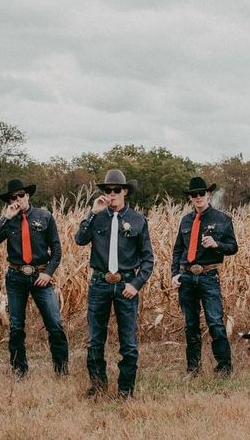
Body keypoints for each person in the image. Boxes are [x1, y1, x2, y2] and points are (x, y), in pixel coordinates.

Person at [75, 169, 154, 398]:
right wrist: (91, 212)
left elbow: (148, 258)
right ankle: (98, 388)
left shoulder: (138, 220)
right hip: (99, 284)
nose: (112, 194)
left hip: (126, 285)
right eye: (108, 190)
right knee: (94, 340)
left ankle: (125, 391)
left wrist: (137, 283)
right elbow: (80, 240)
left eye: (116, 190)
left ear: (125, 191)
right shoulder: (97, 217)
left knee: (128, 342)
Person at [0, 179, 68, 377]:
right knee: (16, 326)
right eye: (13, 197)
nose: (18, 199)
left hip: (41, 276)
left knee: (54, 323)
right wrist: (6, 218)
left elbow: (56, 250)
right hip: (15, 277)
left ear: (28, 196)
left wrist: (48, 273)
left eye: (21, 195)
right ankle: (19, 370)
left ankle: (61, 370)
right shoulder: (8, 220)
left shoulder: (44, 216)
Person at [171, 177, 238, 376]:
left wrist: (217, 244)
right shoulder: (186, 220)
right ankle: (193, 369)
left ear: (208, 194)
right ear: (190, 198)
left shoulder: (222, 219)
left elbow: (233, 247)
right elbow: (178, 250)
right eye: (194, 195)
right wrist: (175, 273)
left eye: (202, 193)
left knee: (215, 322)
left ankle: (224, 368)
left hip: (209, 276)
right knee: (190, 325)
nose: (198, 197)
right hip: (187, 277)